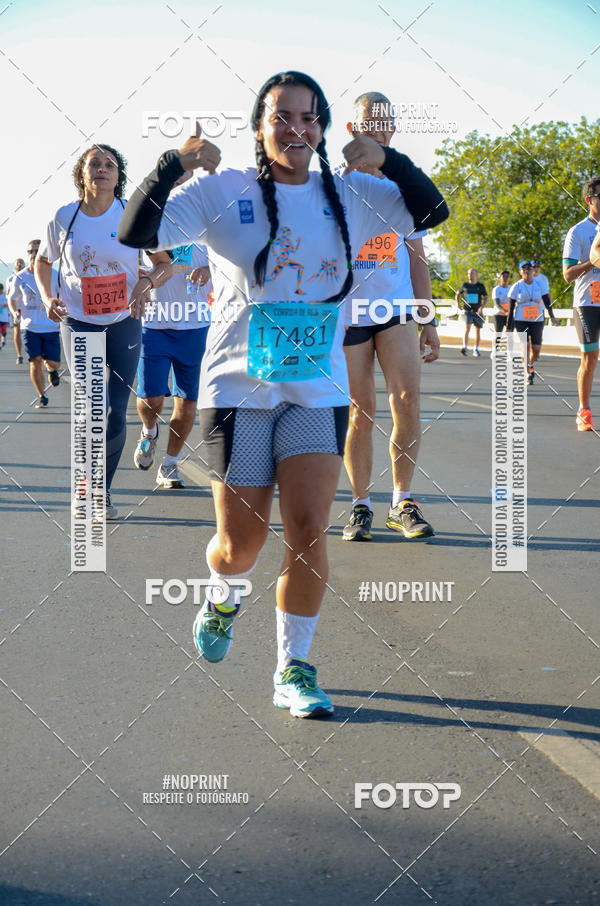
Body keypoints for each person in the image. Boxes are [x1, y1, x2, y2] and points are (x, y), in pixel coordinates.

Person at [119, 71, 448, 718]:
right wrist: (173, 163)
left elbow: (432, 213)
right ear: (260, 127)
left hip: (313, 389)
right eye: (282, 117)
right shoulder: (222, 191)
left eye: (308, 117)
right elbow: (137, 232)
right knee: (240, 545)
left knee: (305, 531)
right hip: (236, 389)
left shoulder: (352, 193)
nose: (296, 128)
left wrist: (390, 158)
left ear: (322, 127)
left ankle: (292, 668)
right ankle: (221, 594)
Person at [35, 144, 172, 517]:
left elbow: (164, 264)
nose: (101, 168)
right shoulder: (64, 217)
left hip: (123, 322)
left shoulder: (131, 215)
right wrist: (48, 296)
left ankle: (102, 491)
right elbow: (43, 262)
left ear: (118, 175)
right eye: (93, 163)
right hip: (78, 321)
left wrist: (147, 284)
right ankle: (84, 489)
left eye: (109, 164)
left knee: (115, 411)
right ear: (81, 173)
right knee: (92, 407)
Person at [341, 92, 440, 543]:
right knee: (361, 410)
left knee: (407, 397)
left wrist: (429, 319)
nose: (377, 129)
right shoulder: (334, 186)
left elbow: (417, 257)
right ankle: (360, 505)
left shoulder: (405, 189)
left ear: (393, 131)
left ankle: (403, 501)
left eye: (385, 123)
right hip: (349, 312)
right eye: (368, 122)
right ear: (352, 129)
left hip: (396, 307)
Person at [134, 173, 212, 489]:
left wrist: (209, 270)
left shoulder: (209, 224)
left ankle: (169, 464)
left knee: (187, 402)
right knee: (151, 399)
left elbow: (227, 266)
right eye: (174, 180)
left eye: (185, 181)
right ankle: (149, 431)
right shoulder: (146, 222)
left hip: (196, 325)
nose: (179, 186)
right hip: (155, 323)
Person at [7, 240, 61, 408]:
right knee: (35, 361)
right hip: (29, 327)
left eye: (37, 251)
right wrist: (15, 312)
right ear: (27, 253)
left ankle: (52, 370)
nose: (33, 254)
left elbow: (64, 297)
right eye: (30, 251)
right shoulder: (20, 277)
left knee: (53, 363)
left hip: (51, 326)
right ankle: (42, 395)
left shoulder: (55, 274)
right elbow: (12, 299)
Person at [565, 180, 600, 431]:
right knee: (590, 358)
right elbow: (567, 274)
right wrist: (592, 261)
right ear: (589, 200)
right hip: (587, 302)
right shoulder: (578, 232)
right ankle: (583, 410)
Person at [507, 260, 558, 385]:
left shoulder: (540, 284)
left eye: (529, 268)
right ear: (520, 272)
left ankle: (530, 364)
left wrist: (552, 317)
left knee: (536, 350)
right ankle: (527, 374)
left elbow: (547, 302)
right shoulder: (516, 287)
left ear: (532, 271)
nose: (527, 270)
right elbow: (511, 308)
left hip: (537, 319)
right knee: (525, 346)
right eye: (524, 269)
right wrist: (509, 327)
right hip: (521, 320)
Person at [456, 268, 487, 356]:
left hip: (477, 311)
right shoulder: (465, 285)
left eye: (472, 273)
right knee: (467, 328)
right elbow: (458, 293)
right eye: (469, 273)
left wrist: (482, 307)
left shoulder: (480, 286)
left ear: (476, 275)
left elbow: (486, 296)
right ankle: (465, 347)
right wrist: (458, 304)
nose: (470, 275)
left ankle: (476, 349)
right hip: (468, 310)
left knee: (477, 330)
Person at [6, 258, 25, 363]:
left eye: (21, 262)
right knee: (17, 330)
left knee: (31, 331)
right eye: (17, 262)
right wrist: (13, 311)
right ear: (14, 265)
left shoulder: (28, 276)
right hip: (16, 309)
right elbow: (8, 295)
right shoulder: (10, 279)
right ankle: (19, 355)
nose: (19, 263)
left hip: (28, 308)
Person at [491, 270, 510, 354]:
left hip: (508, 315)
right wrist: (505, 311)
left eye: (507, 276)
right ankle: (495, 350)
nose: (505, 278)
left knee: (510, 333)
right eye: (503, 276)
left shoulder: (511, 288)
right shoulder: (496, 289)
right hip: (499, 314)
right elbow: (497, 304)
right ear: (500, 278)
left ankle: (510, 351)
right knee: (498, 333)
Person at [0, 284, 8, 349]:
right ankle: (0, 345)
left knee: (3, 331)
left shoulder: (6, 294)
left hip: (5, 318)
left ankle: (3, 340)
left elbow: (9, 303)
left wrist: (6, 305)